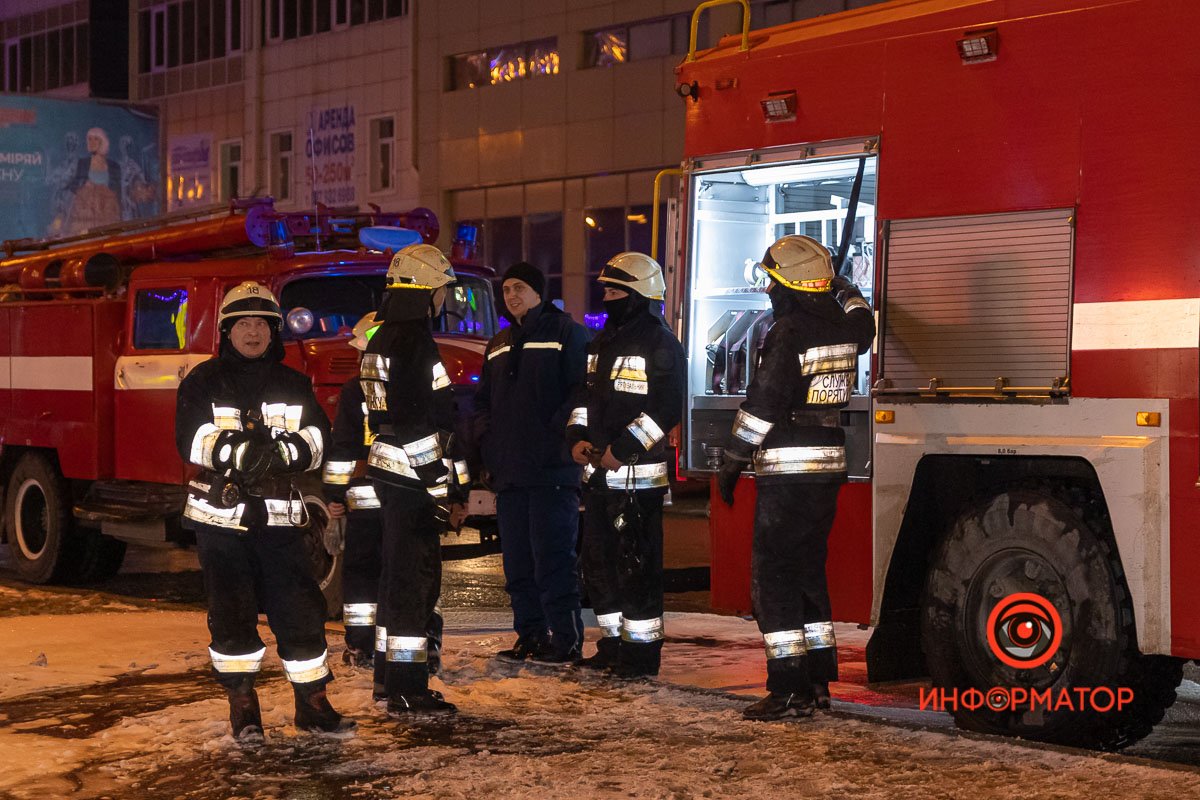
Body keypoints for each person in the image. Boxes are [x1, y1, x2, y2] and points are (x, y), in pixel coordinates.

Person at [175, 281, 354, 741]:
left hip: (281, 522)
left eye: (261, 325)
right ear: (227, 331)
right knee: (231, 616)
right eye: (243, 325)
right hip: (222, 521)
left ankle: (313, 705)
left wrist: (286, 455)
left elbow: (319, 441)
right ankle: (243, 707)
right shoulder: (203, 381)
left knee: (301, 613)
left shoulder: (294, 382)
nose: (252, 333)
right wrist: (241, 455)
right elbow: (190, 439)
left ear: (273, 332)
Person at [716, 234, 875, 721]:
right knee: (809, 573)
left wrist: (733, 459)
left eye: (771, 280)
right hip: (827, 466)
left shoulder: (787, 332)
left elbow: (763, 406)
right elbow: (863, 317)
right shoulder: (847, 328)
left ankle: (789, 689)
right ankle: (818, 683)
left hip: (786, 470)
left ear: (786, 284)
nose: (766, 290)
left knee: (774, 578)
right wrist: (843, 286)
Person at [566, 252, 685, 678]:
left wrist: (624, 448)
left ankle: (640, 656)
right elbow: (584, 399)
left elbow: (666, 408)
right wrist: (576, 438)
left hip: (636, 480)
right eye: (606, 290)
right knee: (599, 566)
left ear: (639, 295)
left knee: (636, 570)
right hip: (599, 477)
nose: (607, 297)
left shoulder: (659, 342)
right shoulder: (602, 343)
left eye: (616, 291)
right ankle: (613, 644)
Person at [364, 243, 466, 715]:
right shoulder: (413, 341)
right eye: (442, 290)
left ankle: (389, 680)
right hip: (411, 478)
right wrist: (439, 486)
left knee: (394, 581)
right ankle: (408, 688)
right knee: (413, 584)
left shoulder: (381, 337)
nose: (445, 300)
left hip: (390, 473)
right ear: (425, 291)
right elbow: (415, 422)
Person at [473, 262, 590, 663]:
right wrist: (488, 446)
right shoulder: (499, 342)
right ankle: (531, 635)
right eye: (506, 290)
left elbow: (580, 394)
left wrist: (555, 436)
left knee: (553, 561)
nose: (511, 296)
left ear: (539, 291)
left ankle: (566, 639)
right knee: (518, 565)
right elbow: (483, 403)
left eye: (519, 288)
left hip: (551, 470)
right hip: (509, 474)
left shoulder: (567, 334)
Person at [324, 313, 446, 698]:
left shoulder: (369, 389)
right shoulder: (359, 392)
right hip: (387, 497)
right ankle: (372, 643)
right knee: (397, 572)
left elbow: (344, 446)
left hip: (379, 496)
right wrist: (334, 492)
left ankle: (386, 645)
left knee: (400, 573)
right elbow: (343, 445)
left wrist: (334, 490)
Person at [66, 127, 122, 234]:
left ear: (102, 141)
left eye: (95, 139)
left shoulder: (114, 167)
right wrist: (83, 186)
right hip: (85, 216)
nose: (91, 142)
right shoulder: (83, 163)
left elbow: (118, 194)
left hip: (107, 215)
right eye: (89, 139)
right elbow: (73, 187)